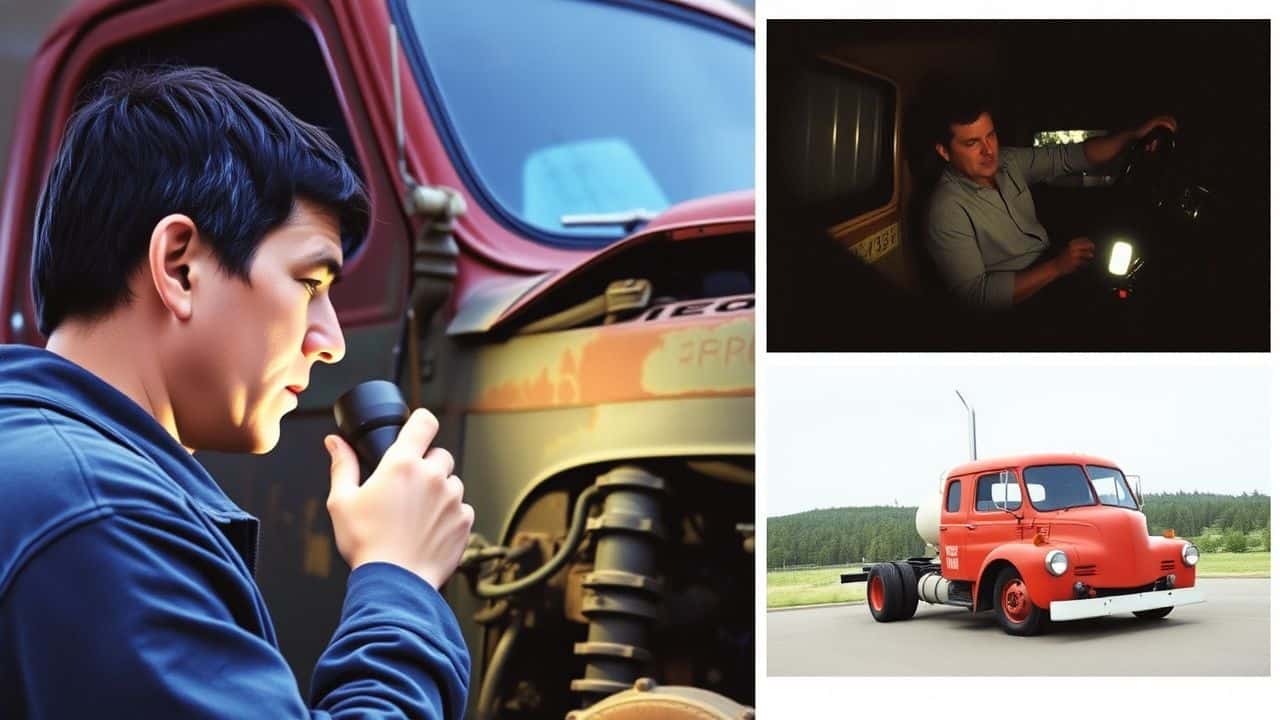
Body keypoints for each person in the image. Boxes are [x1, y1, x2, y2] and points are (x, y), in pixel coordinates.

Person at [0, 66, 474, 718]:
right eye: (310, 284)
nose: (329, 340)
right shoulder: (99, 514)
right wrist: (401, 581)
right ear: (180, 266)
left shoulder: (45, 476)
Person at [925, 88, 1176, 310]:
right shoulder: (946, 209)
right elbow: (975, 296)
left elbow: (1070, 156)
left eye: (990, 136)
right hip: (1021, 303)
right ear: (944, 151)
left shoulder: (1008, 161)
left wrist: (1131, 136)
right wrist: (1057, 267)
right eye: (972, 143)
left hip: (1051, 266)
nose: (988, 151)